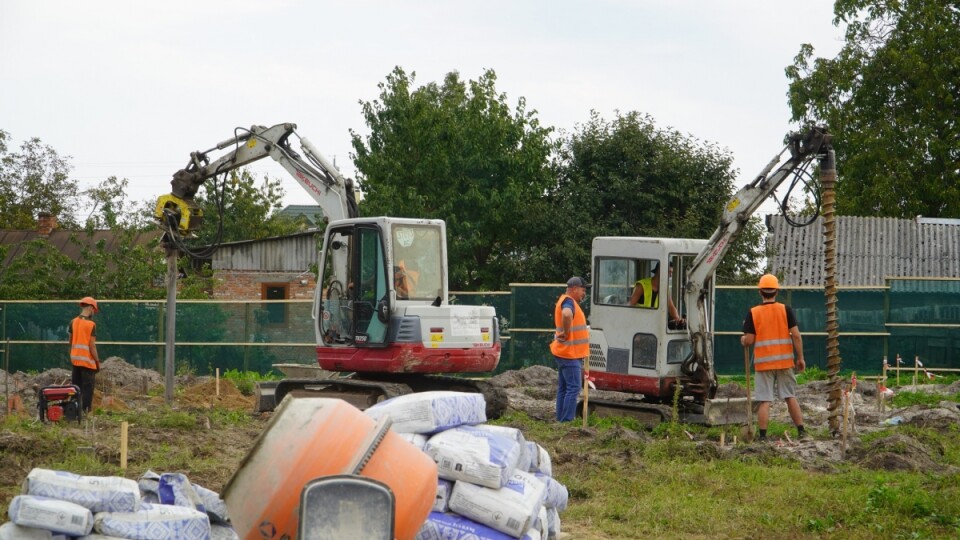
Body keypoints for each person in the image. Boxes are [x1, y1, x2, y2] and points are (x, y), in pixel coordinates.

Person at [741, 274, 807, 441]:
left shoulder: (753, 313)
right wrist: (800, 358)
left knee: (764, 400)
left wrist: (743, 339)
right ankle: (801, 431)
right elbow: (796, 336)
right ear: (776, 291)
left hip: (764, 365)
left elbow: (748, 340)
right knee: (790, 396)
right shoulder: (786, 310)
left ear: (760, 292)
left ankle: (763, 437)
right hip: (785, 362)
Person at [550, 276, 590, 422]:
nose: (584, 294)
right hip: (569, 354)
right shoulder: (568, 302)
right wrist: (567, 333)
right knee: (573, 388)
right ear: (574, 289)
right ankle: (566, 421)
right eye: (582, 290)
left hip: (563, 351)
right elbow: (567, 314)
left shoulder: (565, 301)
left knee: (564, 388)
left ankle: (561, 420)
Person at [69, 296, 102, 413]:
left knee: (75, 388)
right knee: (88, 389)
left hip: (75, 360)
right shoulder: (91, 324)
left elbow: (70, 341)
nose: (94, 312)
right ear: (91, 308)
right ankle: (86, 412)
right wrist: (97, 361)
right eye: (94, 310)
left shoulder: (73, 322)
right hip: (87, 362)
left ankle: (72, 410)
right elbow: (92, 346)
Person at [629, 262, 685, 328]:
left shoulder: (664, 288)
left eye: (671, 273)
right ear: (659, 270)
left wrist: (677, 319)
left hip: (654, 325)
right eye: (669, 272)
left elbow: (671, 306)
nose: (670, 275)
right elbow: (630, 305)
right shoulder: (642, 285)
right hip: (639, 324)